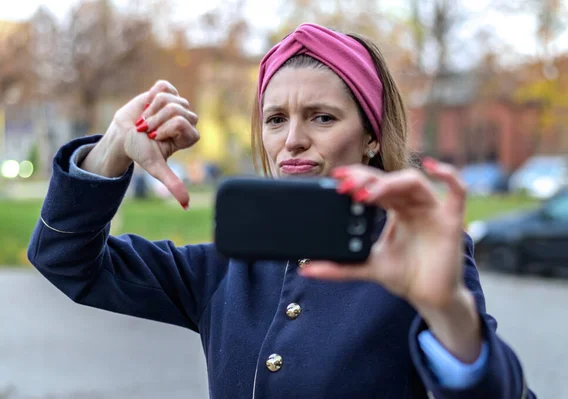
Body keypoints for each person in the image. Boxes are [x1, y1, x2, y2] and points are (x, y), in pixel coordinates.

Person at [28, 23, 535, 398]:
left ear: (371, 137)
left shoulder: (416, 256)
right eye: (275, 119)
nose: (292, 140)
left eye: (322, 117)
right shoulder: (227, 269)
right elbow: (66, 259)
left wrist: (447, 310)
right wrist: (114, 146)